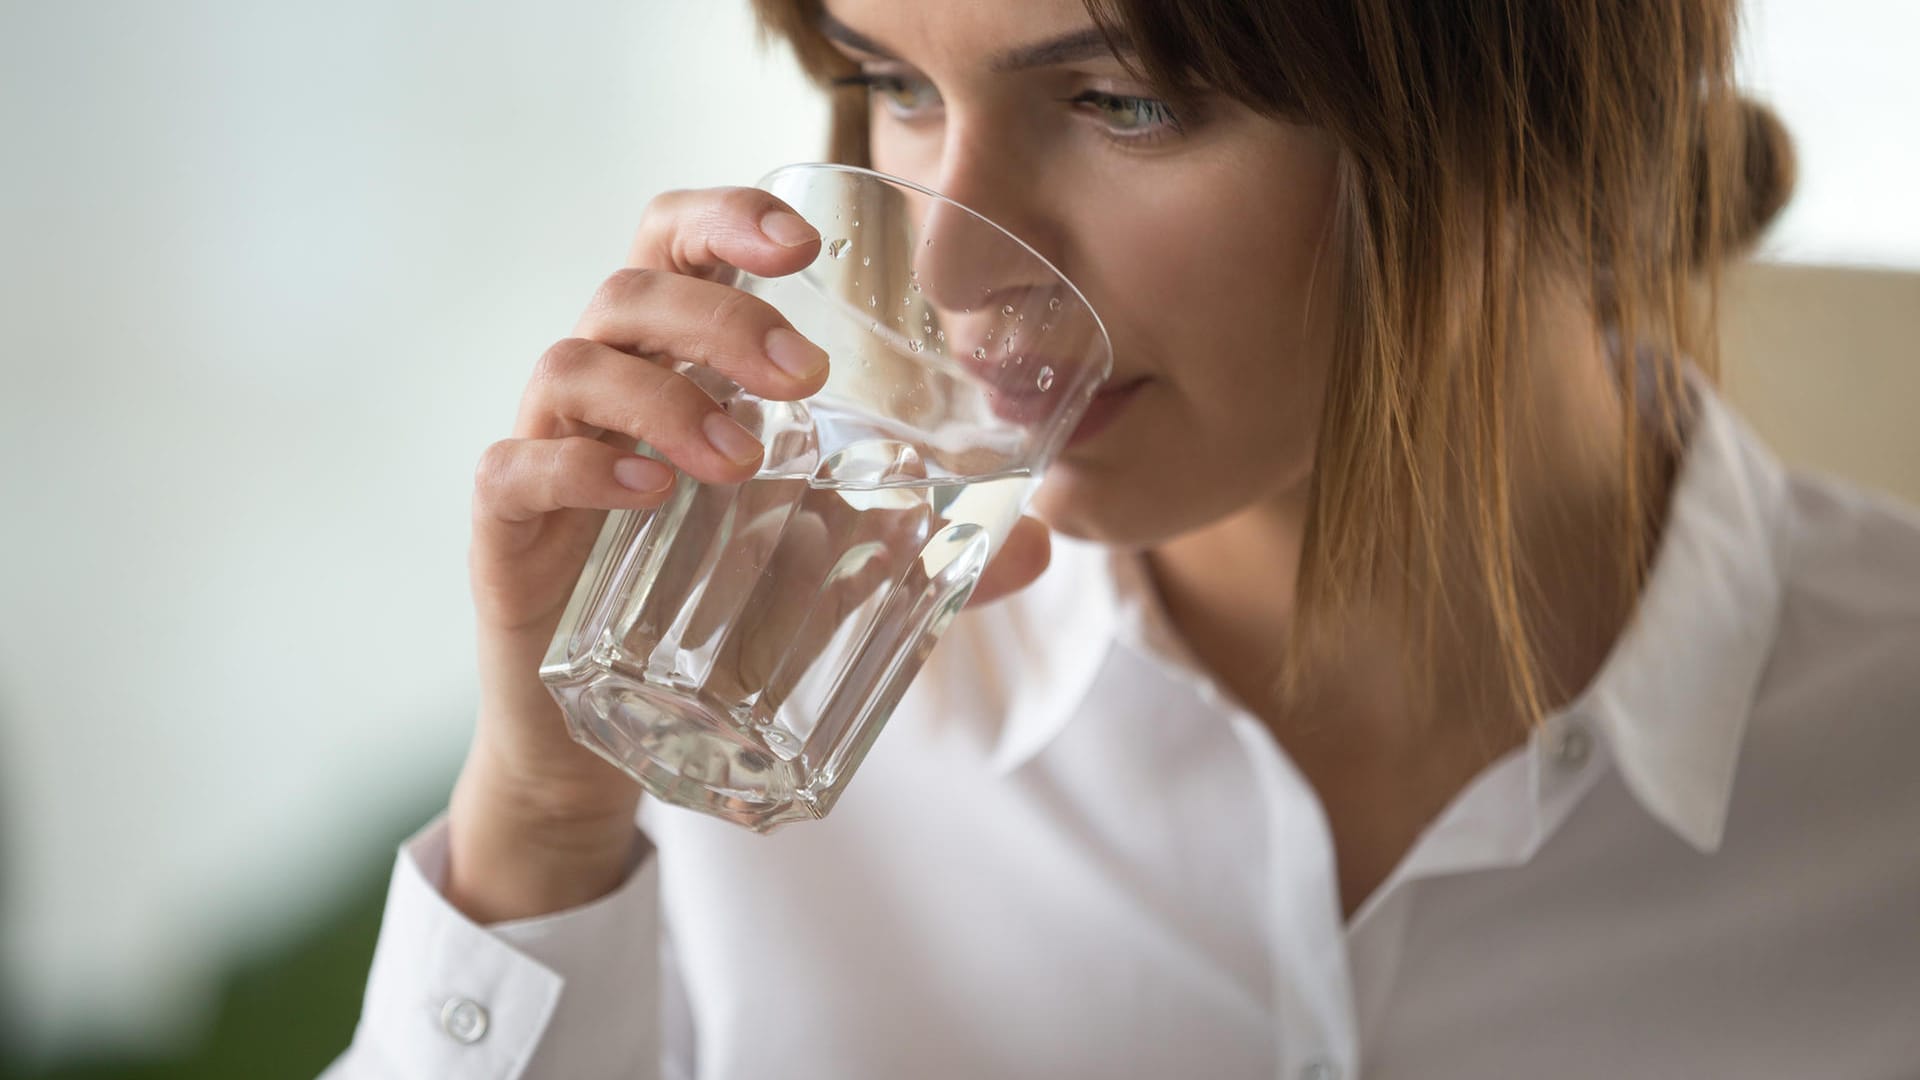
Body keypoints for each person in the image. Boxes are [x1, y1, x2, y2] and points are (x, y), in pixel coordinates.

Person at [325, 0, 1920, 1076]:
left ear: (1531, 106)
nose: (944, 261)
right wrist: (537, 836)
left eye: (1123, 99)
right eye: (894, 84)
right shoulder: (723, 749)